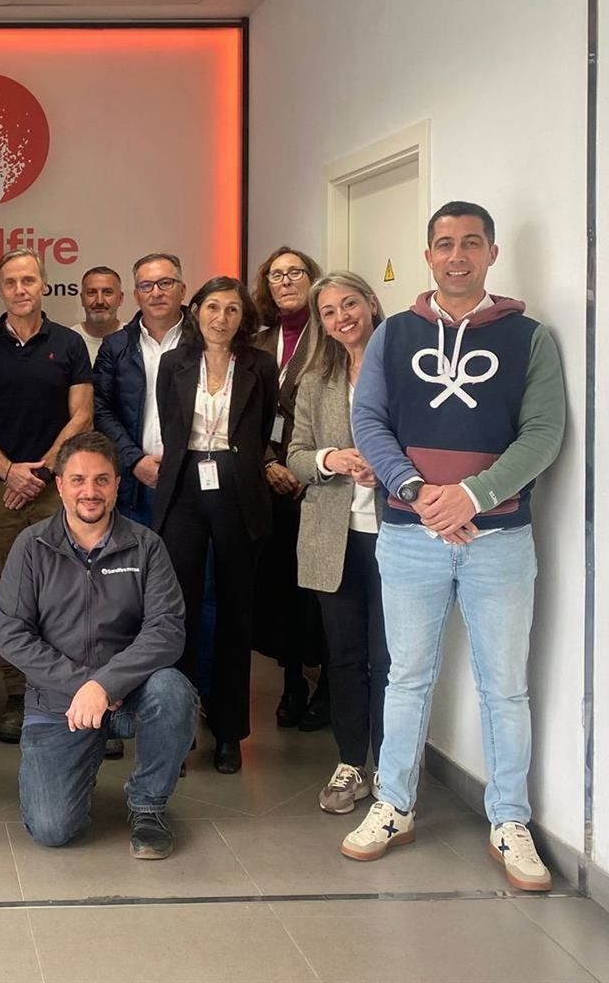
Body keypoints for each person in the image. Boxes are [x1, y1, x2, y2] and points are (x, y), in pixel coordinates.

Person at [342, 202, 565, 893]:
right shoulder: (395, 335)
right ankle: (396, 804)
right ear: (428, 254)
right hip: (410, 537)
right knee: (406, 676)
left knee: (506, 687)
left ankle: (509, 819)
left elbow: (543, 433)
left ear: (492, 253)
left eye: (472, 243)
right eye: (444, 244)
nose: (457, 255)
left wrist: (467, 496)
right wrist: (416, 491)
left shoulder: (531, 338)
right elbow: (369, 420)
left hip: (498, 540)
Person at [0, 431, 194, 858]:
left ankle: (148, 804)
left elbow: (167, 629)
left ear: (118, 485)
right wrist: (82, 685)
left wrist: (106, 686)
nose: (90, 491)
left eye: (102, 480)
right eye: (79, 479)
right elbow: (12, 634)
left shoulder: (146, 546)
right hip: (59, 704)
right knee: (51, 829)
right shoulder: (31, 546)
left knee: (173, 692)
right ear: (61, 484)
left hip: (129, 696)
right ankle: (80, 759)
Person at [0, 250, 93, 744]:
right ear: (0, 290)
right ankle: (16, 694)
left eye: (29, 280)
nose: (20, 289)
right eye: (11, 282)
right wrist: (7, 470)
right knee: (6, 592)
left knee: (66, 590)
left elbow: (81, 415)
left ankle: (65, 690)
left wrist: (41, 470)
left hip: (57, 488)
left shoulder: (69, 342)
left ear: (43, 285)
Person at [153, 276, 278, 775]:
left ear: (241, 317)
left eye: (231, 309)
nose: (220, 318)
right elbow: (170, 426)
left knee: (234, 613)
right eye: (212, 307)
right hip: (184, 486)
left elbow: (262, 425)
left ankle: (228, 732)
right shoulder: (174, 363)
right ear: (196, 311)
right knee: (176, 613)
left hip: (237, 487)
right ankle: (178, 730)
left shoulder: (260, 366)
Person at [286, 270, 389, 814]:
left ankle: (391, 770)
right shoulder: (315, 381)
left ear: (371, 303)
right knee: (345, 658)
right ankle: (352, 761)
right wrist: (332, 459)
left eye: (350, 303)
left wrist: (391, 468)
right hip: (335, 535)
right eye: (329, 312)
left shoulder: (405, 367)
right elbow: (295, 455)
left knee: (390, 659)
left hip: (396, 534)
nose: (342, 317)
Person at [251, 246, 330, 732]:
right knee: (280, 588)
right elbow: (246, 415)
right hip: (268, 483)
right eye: (276, 274)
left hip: (319, 484)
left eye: (295, 272)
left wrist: (304, 468)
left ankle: (327, 686)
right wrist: (265, 465)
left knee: (319, 592)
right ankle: (292, 683)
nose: (285, 281)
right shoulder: (258, 342)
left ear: (311, 278)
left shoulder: (332, 336)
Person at [94, 253, 189, 526]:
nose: (156, 293)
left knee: (193, 569)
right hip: (135, 483)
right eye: (146, 286)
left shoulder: (203, 344)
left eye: (165, 283)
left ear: (182, 290)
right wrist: (134, 461)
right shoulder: (115, 346)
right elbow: (100, 408)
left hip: (190, 482)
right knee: (135, 566)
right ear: (136, 295)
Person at [71, 266, 125, 364]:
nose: (99, 301)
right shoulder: (67, 340)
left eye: (107, 293)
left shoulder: (134, 338)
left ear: (120, 299)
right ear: (82, 299)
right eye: (91, 293)